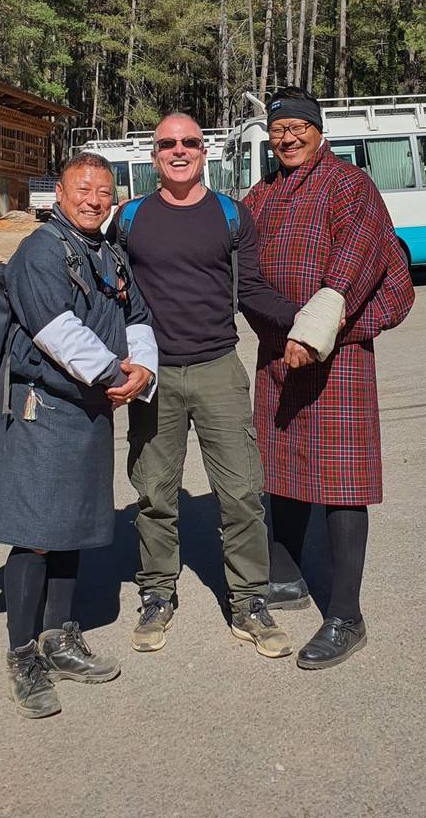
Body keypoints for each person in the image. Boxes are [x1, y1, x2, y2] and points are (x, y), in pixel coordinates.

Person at [108, 114, 300, 659]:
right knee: (153, 491)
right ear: (153, 157)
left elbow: (253, 288)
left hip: (219, 367)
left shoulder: (231, 215)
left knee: (241, 491)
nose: (178, 150)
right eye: (166, 143)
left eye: (188, 142)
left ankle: (249, 602)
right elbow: (107, 288)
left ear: (203, 152)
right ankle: (157, 592)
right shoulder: (130, 218)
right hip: (153, 375)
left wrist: (301, 318)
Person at [242, 85, 414, 671]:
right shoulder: (260, 194)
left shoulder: (350, 187)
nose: (288, 137)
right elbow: (241, 270)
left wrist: (312, 331)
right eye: (279, 129)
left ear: (319, 131)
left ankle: (346, 615)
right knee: (283, 465)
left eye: (299, 128)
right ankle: (286, 578)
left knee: (342, 480)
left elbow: (354, 267)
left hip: (336, 354)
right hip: (277, 351)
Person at [0, 152, 157, 717]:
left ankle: (59, 639)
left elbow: (138, 318)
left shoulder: (109, 251)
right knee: (36, 531)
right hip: (47, 410)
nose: (93, 199)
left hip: (91, 408)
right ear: (57, 194)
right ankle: (23, 656)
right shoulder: (40, 251)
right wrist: (115, 374)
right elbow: (55, 329)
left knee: (75, 526)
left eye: (104, 191)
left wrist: (144, 370)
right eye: (82, 189)